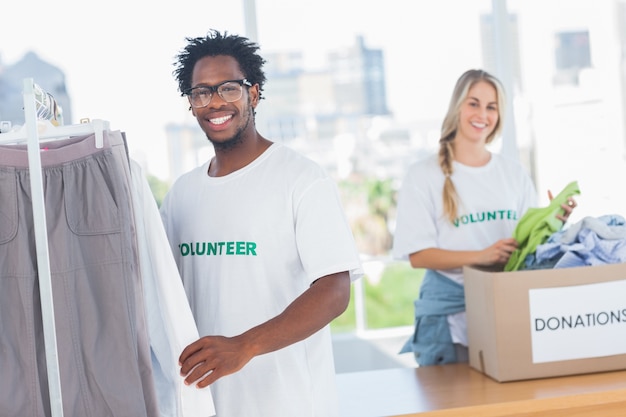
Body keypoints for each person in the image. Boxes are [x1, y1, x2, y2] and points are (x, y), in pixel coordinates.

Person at [159, 29, 363, 417]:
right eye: (201, 92)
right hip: (206, 402)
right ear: (191, 104)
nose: (215, 102)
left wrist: (244, 346)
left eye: (229, 89)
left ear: (253, 94)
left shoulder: (301, 179)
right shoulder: (181, 195)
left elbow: (335, 290)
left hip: (291, 403)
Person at [391, 69, 576, 366]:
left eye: (491, 107)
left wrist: (553, 221)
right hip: (448, 320)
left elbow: (527, 246)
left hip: (504, 307)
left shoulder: (513, 173)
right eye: (473, 103)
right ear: (457, 107)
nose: (482, 114)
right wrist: (482, 255)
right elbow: (419, 256)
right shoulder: (423, 175)